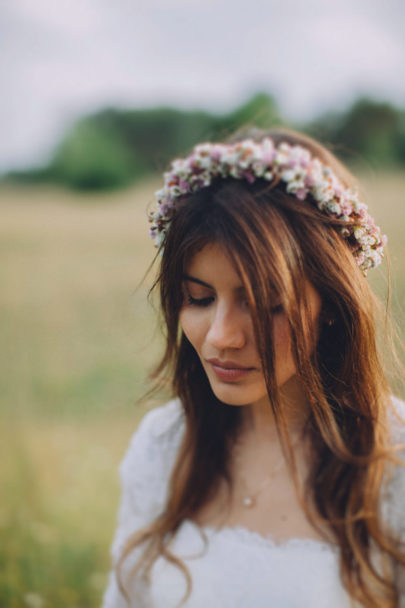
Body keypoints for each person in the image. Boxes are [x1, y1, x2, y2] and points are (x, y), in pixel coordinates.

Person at [102, 127, 405, 608]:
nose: (222, 336)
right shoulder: (163, 446)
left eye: (265, 302)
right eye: (199, 297)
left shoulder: (396, 461)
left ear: (331, 300)